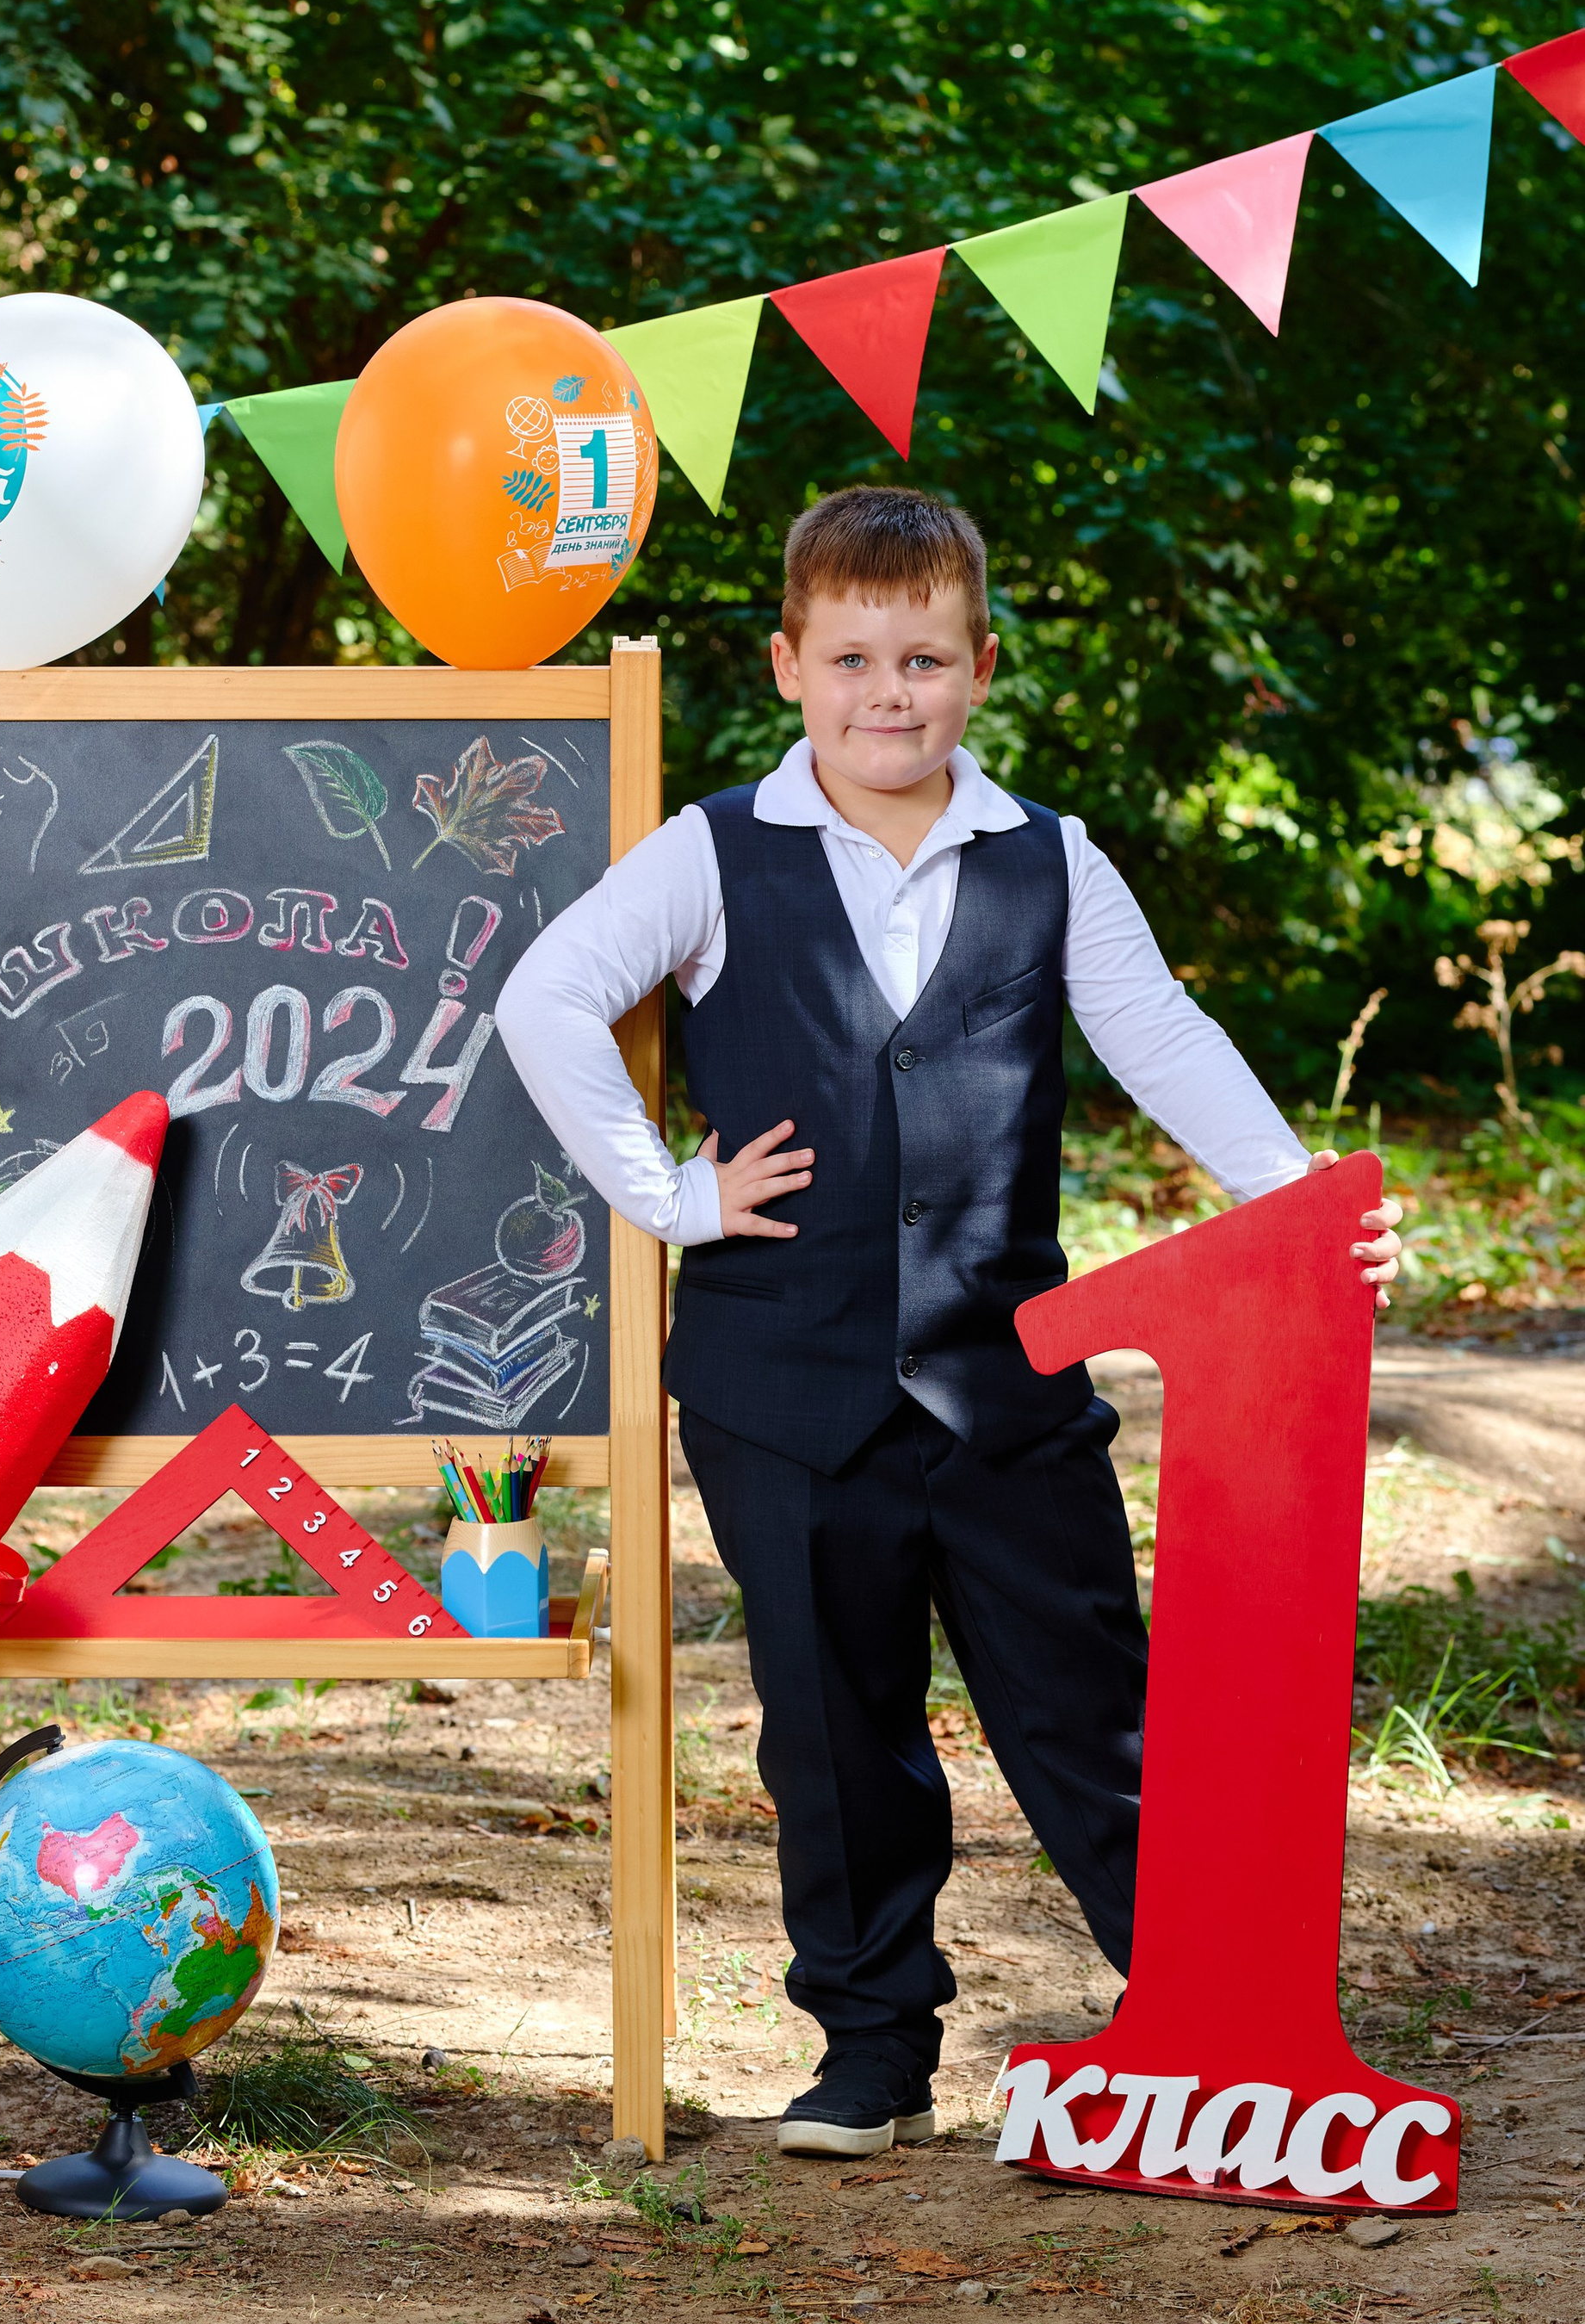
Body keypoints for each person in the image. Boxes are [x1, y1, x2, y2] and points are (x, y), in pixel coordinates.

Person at [496, 483, 1400, 2158]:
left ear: (977, 667)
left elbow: (1164, 1036)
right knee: (831, 1726)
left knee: (1085, 1701)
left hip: (1004, 1380)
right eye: (849, 657)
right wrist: (668, 1195)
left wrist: (1299, 1197)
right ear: (786, 663)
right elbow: (540, 993)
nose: (884, 692)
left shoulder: (1045, 859)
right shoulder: (715, 850)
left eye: (919, 658)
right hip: (783, 1385)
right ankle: (869, 2041)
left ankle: (1206, 2005)